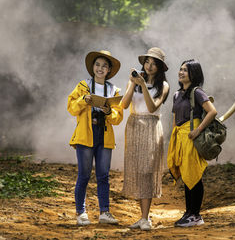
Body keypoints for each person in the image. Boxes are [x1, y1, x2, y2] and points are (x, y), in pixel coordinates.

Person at [67, 49, 124, 226]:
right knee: (84, 175)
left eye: (104, 66)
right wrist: (84, 99)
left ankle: (105, 212)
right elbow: (71, 108)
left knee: (103, 175)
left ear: (109, 70)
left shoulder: (114, 90)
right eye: (97, 65)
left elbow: (117, 118)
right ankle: (81, 213)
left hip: (104, 135)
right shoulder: (83, 86)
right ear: (92, 67)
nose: (100, 68)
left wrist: (108, 111)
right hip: (86, 133)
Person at [121, 47, 170, 231]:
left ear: (159, 68)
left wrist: (142, 85)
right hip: (133, 125)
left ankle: (145, 218)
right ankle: (142, 217)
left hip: (150, 126)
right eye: (147, 62)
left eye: (154, 64)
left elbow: (151, 107)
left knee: (147, 170)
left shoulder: (163, 86)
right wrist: (133, 84)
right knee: (137, 170)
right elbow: (124, 105)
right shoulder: (133, 81)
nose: (149, 66)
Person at [167, 59, 217, 227]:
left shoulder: (197, 92)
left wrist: (198, 130)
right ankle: (188, 213)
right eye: (180, 69)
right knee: (187, 175)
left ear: (193, 74)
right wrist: (173, 138)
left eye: (185, 70)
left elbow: (212, 111)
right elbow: (175, 119)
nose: (181, 72)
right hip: (181, 138)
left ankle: (196, 215)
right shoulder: (177, 94)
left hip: (192, 137)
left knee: (194, 175)